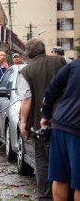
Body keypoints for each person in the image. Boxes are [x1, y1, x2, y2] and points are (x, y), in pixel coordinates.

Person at [18, 38, 66, 201]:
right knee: (65, 160)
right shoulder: (61, 61)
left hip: (40, 123)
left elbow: (26, 100)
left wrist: (23, 122)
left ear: (28, 55)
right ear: (44, 50)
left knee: (43, 162)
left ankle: (46, 197)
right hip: (66, 121)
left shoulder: (26, 71)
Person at [40, 59, 80, 201]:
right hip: (77, 130)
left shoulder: (74, 65)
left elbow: (52, 88)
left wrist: (46, 115)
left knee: (61, 177)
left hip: (60, 124)